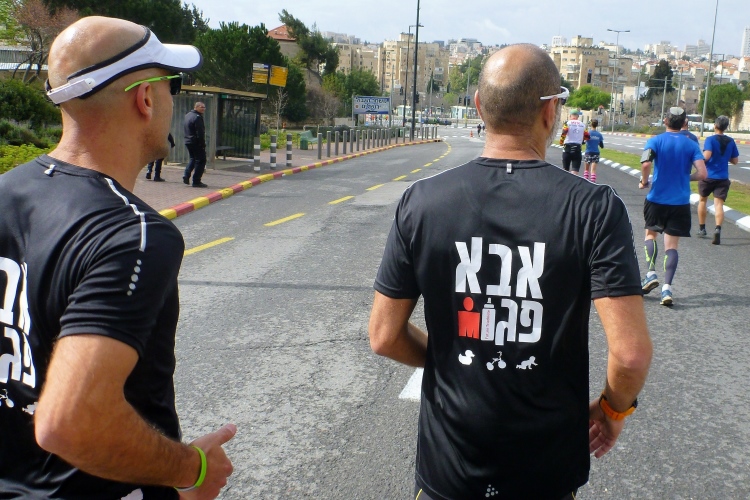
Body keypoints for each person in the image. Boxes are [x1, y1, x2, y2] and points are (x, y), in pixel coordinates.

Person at [369, 43, 652, 499]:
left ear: (479, 106)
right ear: (551, 111)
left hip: (449, 471)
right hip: (546, 473)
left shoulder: (421, 203)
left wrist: (450, 360)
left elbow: (384, 336)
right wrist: (612, 410)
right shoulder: (595, 209)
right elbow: (631, 354)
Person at [0, 16, 236, 498]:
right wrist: (191, 470)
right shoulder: (134, 234)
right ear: (144, 98)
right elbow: (67, 421)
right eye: (171, 84)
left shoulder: (7, 190)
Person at [639, 106, 707, 306]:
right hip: (680, 202)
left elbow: (645, 164)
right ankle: (667, 289)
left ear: (665, 121)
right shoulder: (691, 144)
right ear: (684, 123)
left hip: (657, 199)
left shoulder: (655, 141)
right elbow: (703, 173)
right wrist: (686, 177)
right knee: (672, 246)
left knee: (650, 235)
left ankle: (650, 274)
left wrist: (644, 181)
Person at [697, 115, 740, 245]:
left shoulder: (710, 140)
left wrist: (698, 161)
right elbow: (735, 160)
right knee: (719, 204)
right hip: (722, 177)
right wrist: (724, 157)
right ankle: (717, 229)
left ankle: (702, 229)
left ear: (715, 125)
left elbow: (707, 156)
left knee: (702, 200)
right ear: (726, 127)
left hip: (708, 176)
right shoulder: (731, 141)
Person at [183, 101, 207, 188]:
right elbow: (200, 132)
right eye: (201, 107)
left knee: (193, 158)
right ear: (196, 107)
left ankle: (186, 175)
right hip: (196, 142)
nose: (203, 109)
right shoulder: (197, 117)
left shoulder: (188, 115)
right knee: (201, 160)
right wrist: (202, 144)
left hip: (188, 141)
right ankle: (196, 181)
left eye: (204, 107)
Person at [559, 108, 588, 175]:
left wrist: (561, 142)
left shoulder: (567, 123)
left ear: (570, 116)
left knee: (565, 170)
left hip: (567, 148)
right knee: (575, 171)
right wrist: (582, 140)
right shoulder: (583, 125)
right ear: (578, 116)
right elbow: (587, 136)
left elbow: (564, 133)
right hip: (577, 149)